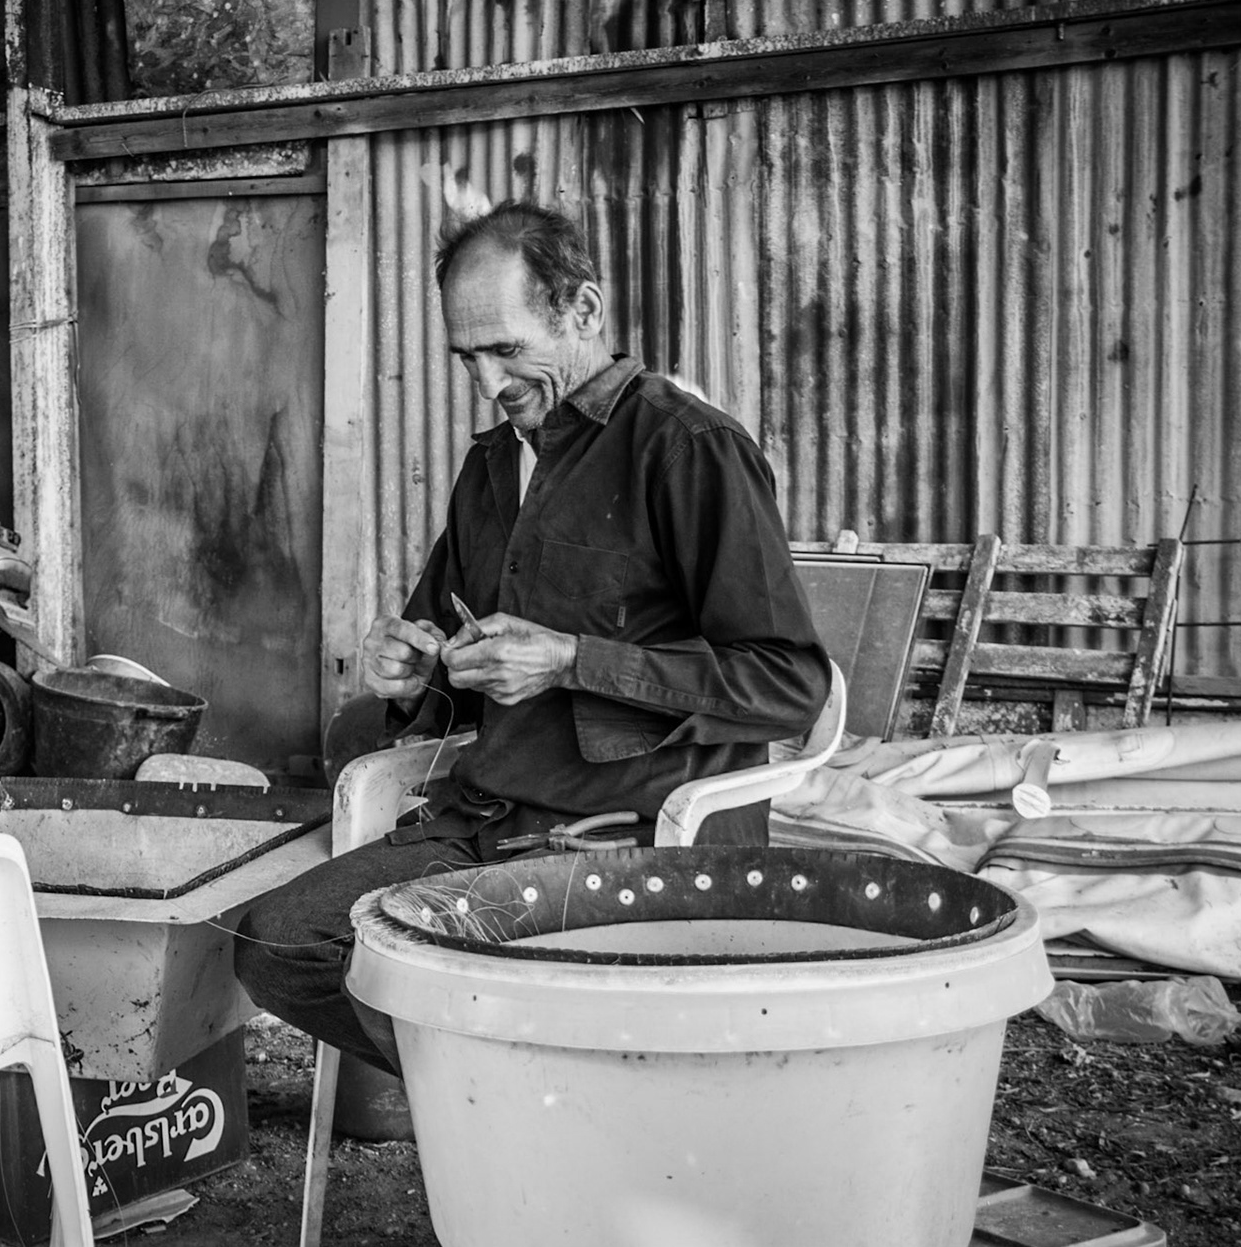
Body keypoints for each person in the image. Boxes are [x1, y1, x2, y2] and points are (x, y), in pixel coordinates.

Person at [234, 199, 829, 1074]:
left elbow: (787, 684)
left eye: (507, 350)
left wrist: (572, 661)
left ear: (583, 311)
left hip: (629, 838)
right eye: (467, 356)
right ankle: (518, 1093)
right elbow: (445, 662)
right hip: (489, 825)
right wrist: (410, 671)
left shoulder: (685, 446)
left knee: (506, 1008)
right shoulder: (489, 467)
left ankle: (535, 1101)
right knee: (281, 944)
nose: (487, 383)